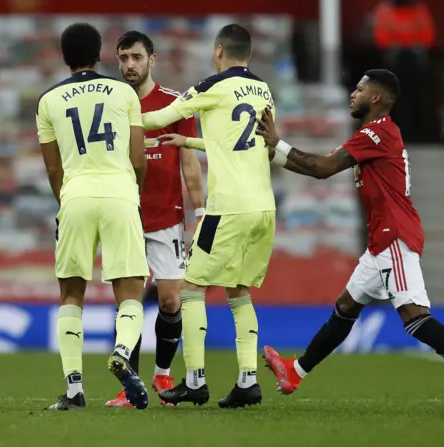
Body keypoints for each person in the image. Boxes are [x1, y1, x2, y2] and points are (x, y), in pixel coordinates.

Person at [257, 69, 444, 414]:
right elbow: (316, 167)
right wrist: (272, 151)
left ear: (376, 97)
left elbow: (322, 167)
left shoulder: (377, 134)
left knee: (415, 318)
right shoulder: (370, 135)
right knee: (346, 307)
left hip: (395, 237)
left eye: (359, 89)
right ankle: (295, 372)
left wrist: (278, 144)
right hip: (381, 242)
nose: (352, 93)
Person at [141, 23, 276, 408]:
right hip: (263, 207)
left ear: (218, 51)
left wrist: (123, 111)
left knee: (191, 289)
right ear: (248, 54)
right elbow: (249, 142)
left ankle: (196, 381)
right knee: (239, 291)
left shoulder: (209, 87)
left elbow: (157, 117)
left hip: (227, 208)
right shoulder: (263, 89)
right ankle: (248, 381)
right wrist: (190, 141)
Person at [36, 23, 150, 410]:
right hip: (120, 193)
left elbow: (53, 169)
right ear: (100, 55)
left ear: (64, 57)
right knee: (130, 290)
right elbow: (138, 158)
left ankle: (73, 391)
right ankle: (121, 349)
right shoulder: (124, 93)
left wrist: (67, 198)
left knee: (71, 293)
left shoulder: (48, 100)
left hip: (76, 196)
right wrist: (132, 192)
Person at [104, 30, 205, 408]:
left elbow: (190, 163)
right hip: (124, 216)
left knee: (170, 302)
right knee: (128, 304)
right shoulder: (111, 104)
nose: (129, 64)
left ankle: (162, 374)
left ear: (152, 59)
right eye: (124, 58)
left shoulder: (175, 105)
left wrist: (200, 211)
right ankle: (128, 388)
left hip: (167, 218)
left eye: (136, 57)